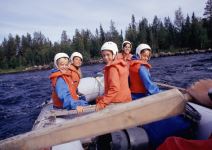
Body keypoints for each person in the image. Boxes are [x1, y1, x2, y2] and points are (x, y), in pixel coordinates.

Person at [96, 41, 132, 110]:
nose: (106, 57)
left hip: (118, 102)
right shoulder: (121, 64)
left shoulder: (112, 68)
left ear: (114, 54)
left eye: (108, 55)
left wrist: (102, 102)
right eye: (103, 55)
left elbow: (114, 89)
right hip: (126, 99)